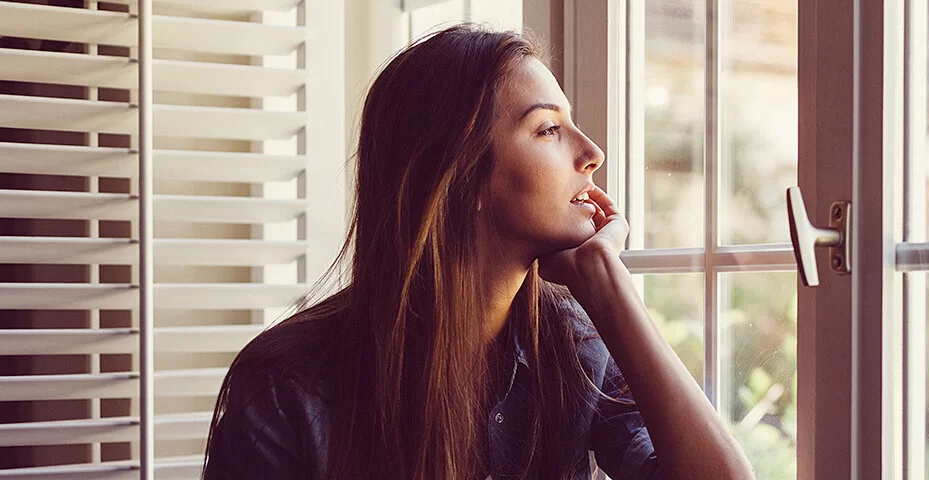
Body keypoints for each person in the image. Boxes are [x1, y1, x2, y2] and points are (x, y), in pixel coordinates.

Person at [201, 24, 753, 480]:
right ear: (460, 177)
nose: (592, 153)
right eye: (547, 129)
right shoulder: (285, 389)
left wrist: (608, 284)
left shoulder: (573, 348)